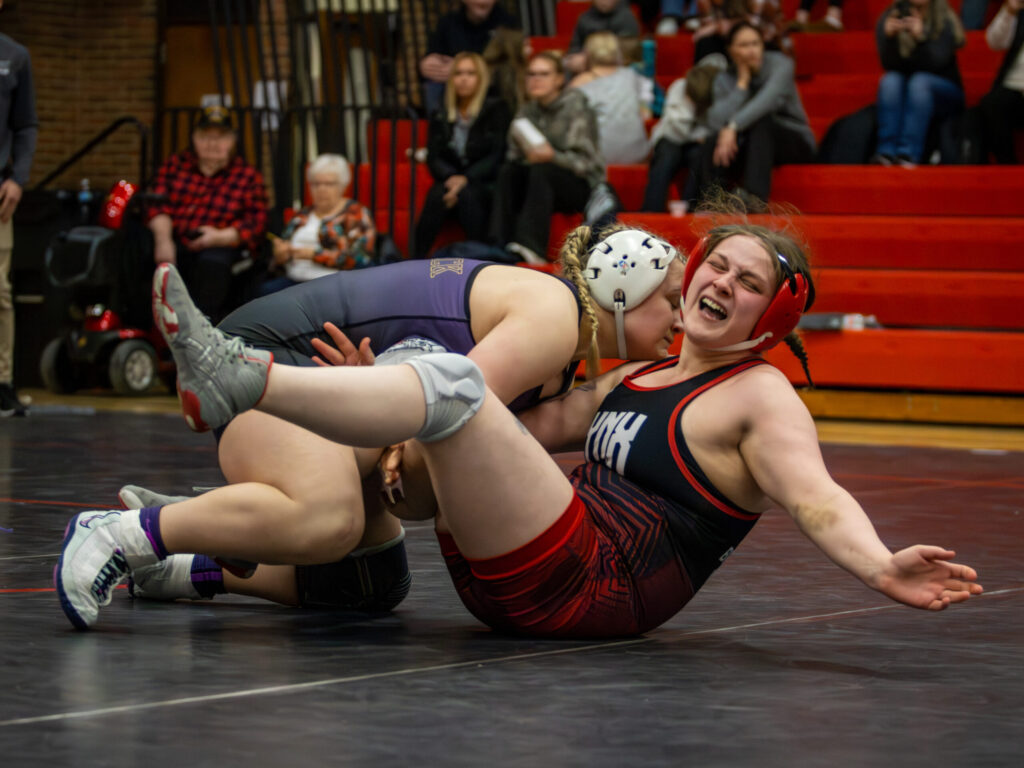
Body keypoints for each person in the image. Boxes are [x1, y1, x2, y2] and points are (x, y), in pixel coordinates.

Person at [57, 221, 984, 636]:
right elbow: (523, 433)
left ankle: (244, 380)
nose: (719, 286)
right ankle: (186, 559)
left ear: (770, 321)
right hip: (525, 575)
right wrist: (382, 408)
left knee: (456, 389)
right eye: (718, 266)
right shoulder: (637, 373)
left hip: (594, 583)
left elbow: (817, 496)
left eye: (748, 285)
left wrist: (876, 564)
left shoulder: (762, 396)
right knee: (371, 563)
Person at [55, 225, 687, 629]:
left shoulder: (563, 360)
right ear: (626, 290)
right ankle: (121, 536)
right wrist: (387, 405)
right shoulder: (554, 313)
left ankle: (186, 560)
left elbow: (461, 449)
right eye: (673, 301)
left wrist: (385, 390)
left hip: (340, 387)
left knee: (368, 582)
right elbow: (445, 402)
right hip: (267, 362)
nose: (680, 322)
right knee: (332, 519)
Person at [147, 105, 269, 323]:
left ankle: (203, 330)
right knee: (141, 249)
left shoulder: (247, 175)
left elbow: (256, 222)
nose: (212, 144)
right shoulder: (176, 165)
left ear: (232, 141)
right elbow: (157, 205)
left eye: (220, 137)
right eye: (205, 136)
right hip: (175, 240)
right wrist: (163, 241)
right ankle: (151, 327)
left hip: (220, 245)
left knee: (213, 264)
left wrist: (218, 237)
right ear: (194, 138)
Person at [489, 51, 605, 265]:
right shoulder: (527, 110)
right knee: (508, 171)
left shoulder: (575, 106)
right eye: (531, 74)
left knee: (543, 170)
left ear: (559, 79)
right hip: (538, 180)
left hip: (579, 185)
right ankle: (498, 243)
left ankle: (532, 248)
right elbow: (513, 154)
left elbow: (588, 164)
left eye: (543, 74)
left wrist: (553, 156)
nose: (536, 80)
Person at [690, 22, 815, 211]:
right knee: (712, 140)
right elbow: (715, 122)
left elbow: (767, 101)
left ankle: (754, 198)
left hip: (793, 139)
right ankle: (711, 201)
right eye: (744, 45)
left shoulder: (782, 64)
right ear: (730, 50)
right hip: (753, 145)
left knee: (761, 121)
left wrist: (732, 126)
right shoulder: (724, 77)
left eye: (755, 44)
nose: (751, 51)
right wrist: (742, 83)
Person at [413, 52, 511, 260]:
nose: (464, 79)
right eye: (458, 73)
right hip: (451, 179)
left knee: (468, 194)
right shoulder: (441, 110)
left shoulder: (496, 108)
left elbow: (497, 155)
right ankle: (416, 259)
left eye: (470, 73)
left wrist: (464, 180)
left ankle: (480, 259)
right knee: (437, 193)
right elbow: (434, 156)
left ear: (481, 78)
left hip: (485, 182)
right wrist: (451, 178)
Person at [260, 154, 374, 295]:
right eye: (316, 184)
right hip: (293, 281)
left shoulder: (356, 214)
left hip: (333, 285)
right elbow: (282, 249)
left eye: (329, 184)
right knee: (263, 293)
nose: (321, 189)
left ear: (343, 185)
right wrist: (281, 253)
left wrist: (312, 254)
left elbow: (358, 259)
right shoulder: (302, 215)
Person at [872, 0, 965, 167]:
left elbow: (938, 62)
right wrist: (890, 39)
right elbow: (889, 66)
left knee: (920, 82)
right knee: (890, 81)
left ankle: (908, 154)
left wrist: (921, 38)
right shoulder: (892, 15)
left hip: (945, 91)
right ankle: (886, 152)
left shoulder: (943, 18)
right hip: (907, 89)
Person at [0, 7, 36, 418]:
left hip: (1, 189)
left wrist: (19, 177)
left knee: (0, 291)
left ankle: (3, 381)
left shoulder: (14, 56)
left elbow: (25, 124)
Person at [641, 54, 726, 212]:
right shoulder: (679, 87)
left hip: (695, 146)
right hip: (670, 137)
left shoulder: (715, 92)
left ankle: (690, 207)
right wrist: (690, 106)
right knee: (667, 154)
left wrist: (700, 136)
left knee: (700, 154)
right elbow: (676, 131)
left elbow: (712, 128)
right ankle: (651, 210)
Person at [419, 0, 519, 116]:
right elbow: (434, 54)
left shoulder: (508, 23)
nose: (483, 2)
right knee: (434, 84)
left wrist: (463, 66)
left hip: (492, 83)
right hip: (453, 86)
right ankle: (440, 124)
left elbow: (513, 63)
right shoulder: (448, 22)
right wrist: (425, 67)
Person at [568, 32, 651, 165]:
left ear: (587, 53)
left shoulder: (579, 83)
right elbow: (645, 112)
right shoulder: (631, 75)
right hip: (638, 152)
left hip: (599, 157)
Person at [977, 0, 1024, 163]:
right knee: (991, 103)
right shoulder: (1020, 13)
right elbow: (994, 42)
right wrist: (1009, 12)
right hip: (1015, 87)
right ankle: (1007, 165)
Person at [564, 0, 641, 75]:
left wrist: (587, 59)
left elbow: (628, 51)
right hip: (586, 68)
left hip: (617, 69)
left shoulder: (627, 18)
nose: (604, 1)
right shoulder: (584, 18)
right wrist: (573, 59)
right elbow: (575, 46)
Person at [482, 27, 529, 116]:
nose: (529, 49)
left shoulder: (486, 68)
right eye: (525, 45)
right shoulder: (508, 72)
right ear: (515, 46)